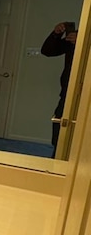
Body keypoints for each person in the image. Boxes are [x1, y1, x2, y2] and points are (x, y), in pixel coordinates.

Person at [41, 21, 77, 153]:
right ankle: (57, 159)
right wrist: (56, 34)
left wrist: (85, 44)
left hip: (85, 97)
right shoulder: (73, 39)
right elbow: (47, 51)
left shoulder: (82, 40)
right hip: (66, 94)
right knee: (59, 133)